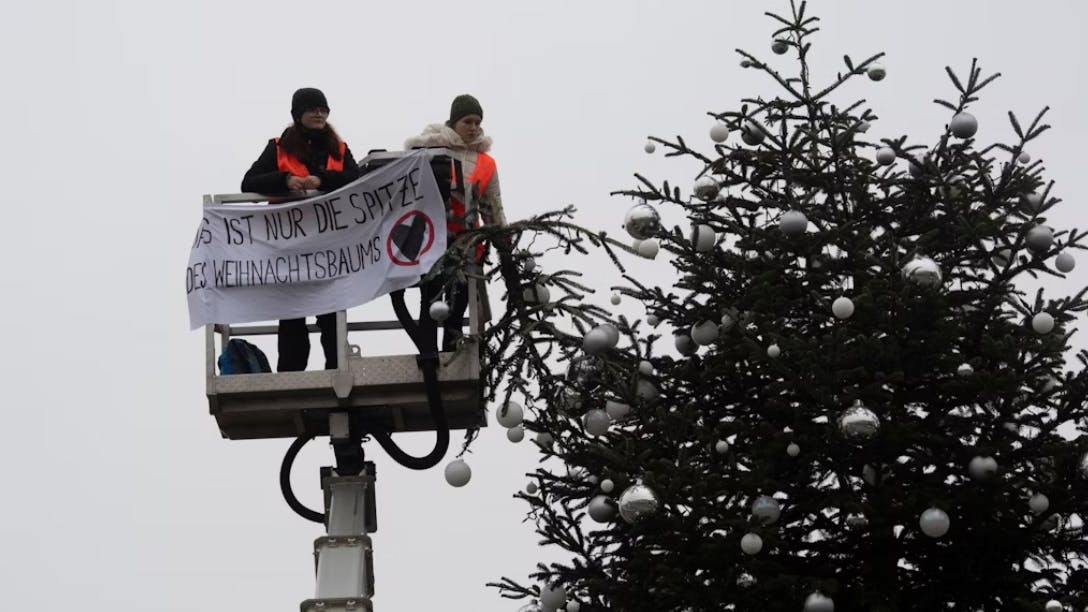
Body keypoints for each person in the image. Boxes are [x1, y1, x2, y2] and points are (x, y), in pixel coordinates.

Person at [241, 87, 360, 371]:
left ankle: (337, 374)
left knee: (332, 318)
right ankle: (291, 376)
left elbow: (356, 180)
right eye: (312, 109)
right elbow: (249, 182)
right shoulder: (279, 147)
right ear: (298, 114)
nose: (319, 113)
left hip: (328, 248)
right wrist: (285, 180)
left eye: (323, 109)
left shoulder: (340, 148)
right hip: (290, 250)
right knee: (292, 319)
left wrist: (323, 180)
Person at [405, 94, 507, 351]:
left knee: (458, 306)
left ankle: (452, 355)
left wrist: (504, 238)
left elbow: (493, 204)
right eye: (467, 122)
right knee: (430, 301)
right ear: (453, 123)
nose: (473, 128)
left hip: (469, 244)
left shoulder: (486, 162)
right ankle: (427, 359)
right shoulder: (430, 151)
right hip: (433, 241)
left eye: (477, 122)